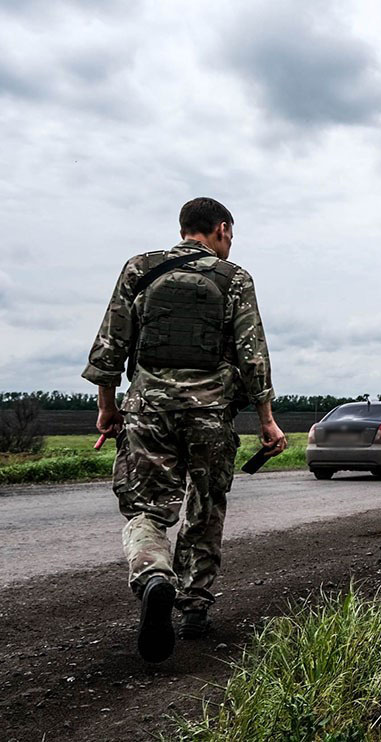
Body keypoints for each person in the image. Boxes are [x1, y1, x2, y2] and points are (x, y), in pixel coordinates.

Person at [82, 197, 287, 662]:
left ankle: (154, 575)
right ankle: (194, 608)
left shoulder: (140, 268)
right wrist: (267, 420)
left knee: (146, 509)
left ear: (182, 229)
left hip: (149, 408)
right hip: (211, 413)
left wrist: (108, 408)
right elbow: (253, 352)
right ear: (220, 228)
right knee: (207, 502)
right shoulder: (234, 278)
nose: (230, 244)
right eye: (230, 235)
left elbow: (110, 343)